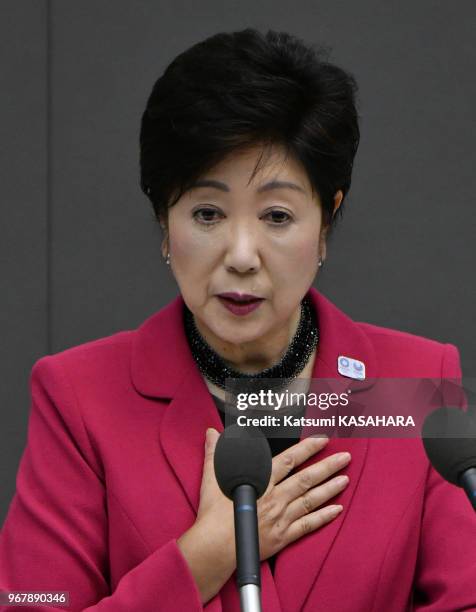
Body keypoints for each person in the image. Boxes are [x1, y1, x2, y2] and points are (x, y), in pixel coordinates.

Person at [1, 28, 475, 612]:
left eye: (277, 216)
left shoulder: (418, 385)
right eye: (207, 213)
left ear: (327, 222)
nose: (242, 255)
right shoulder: (77, 395)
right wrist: (206, 555)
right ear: (163, 222)